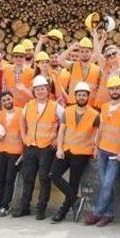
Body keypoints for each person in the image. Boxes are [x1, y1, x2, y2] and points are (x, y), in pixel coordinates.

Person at [83, 75, 120, 227]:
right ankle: (108, 214)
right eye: (112, 88)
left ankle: (98, 212)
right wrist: (96, 146)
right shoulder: (104, 107)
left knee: (107, 183)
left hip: (116, 153)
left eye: (117, 88)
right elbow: (101, 128)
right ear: (109, 90)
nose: (114, 91)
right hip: (103, 150)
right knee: (106, 183)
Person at [12, 75, 64, 220]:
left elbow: (65, 123)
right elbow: (21, 122)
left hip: (47, 148)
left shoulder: (56, 106)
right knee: (28, 177)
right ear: (34, 91)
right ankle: (24, 207)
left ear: (47, 90)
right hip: (30, 147)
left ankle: (41, 209)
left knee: (43, 178)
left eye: (43, 89)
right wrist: (24, 137)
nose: (40, 91)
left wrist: (58, 140)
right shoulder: (28, 105)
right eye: (37, 89)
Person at [50, 81, 99, 223]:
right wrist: (59, 148)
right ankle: (76, 200)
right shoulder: (68, 111)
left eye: (84, 95)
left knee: (73, 184)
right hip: (66, 150)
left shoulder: (95, 115)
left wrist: (95, 149)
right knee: (54, 175)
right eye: (79, 95)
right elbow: (62, 130)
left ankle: (62, 213)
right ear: (75, 96)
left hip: (82, 152)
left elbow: (96, 135)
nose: (82, 97)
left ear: (88, 96)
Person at [0, 91, 24, 217]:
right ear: (1, 103)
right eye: (4, 100)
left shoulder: (22, 112)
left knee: (10, 180)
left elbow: (27, 130)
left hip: (16, 152)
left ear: (12, 98)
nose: (7, 102)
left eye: (8, 99)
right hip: (2, 150)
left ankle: (5, 206)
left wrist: (24, 151)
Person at [57, 37, 102, 105]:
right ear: (79, 53)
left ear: (91, 52)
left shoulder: (98, 69)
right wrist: (72, 47)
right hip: (73, 105)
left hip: (90, 107)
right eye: (82, 51)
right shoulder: (73, 66)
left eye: (87, 51)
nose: (84, 54)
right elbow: (59, 60)